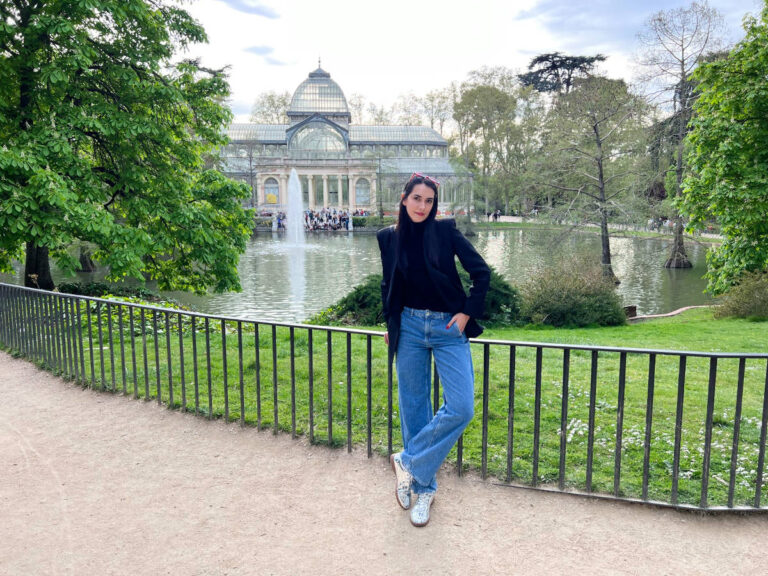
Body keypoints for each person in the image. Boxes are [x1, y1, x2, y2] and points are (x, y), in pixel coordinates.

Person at [377, 172, 490, 527]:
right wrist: (391, 324)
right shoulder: (388, 237)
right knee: (414, 408)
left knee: (461, 406)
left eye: (428, 200)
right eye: (416, 199)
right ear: (404, 198)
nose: (422, 206)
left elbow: (481, 273)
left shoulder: (445, 231)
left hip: (447, 327)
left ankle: (407, 462)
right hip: (408, 327)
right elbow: (389, 284)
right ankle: (424, 488)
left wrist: (466, 312)